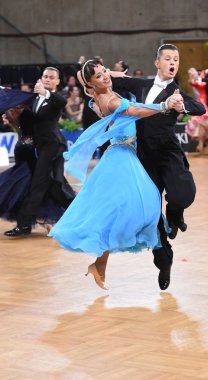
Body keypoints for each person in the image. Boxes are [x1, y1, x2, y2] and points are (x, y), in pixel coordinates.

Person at [49, 59, 179, 291]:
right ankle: (158, 235)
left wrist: (112, 74)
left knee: (112, 213)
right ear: (91, 84)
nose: (105, 77)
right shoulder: (111, 100)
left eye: (104, 72)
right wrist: (163, 106)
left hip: (118, 155)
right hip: (122, 158)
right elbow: (134, 110)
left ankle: (99, 267)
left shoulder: (96, 99)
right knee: (144, 202)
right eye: (98, 76)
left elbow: (103, 86)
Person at [110, 44, 205, 290]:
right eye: (168, 58)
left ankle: (174, 215)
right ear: (157, 63)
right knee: (150, 215)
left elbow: (200, 108)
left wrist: (180, 106)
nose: (173, 62)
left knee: (184, 193)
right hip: (144, 157)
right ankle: (164, 261)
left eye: (176, 59)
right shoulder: (141, 85)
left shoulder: (176, 93)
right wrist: (110, 73)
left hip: (168, 153)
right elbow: (112, 83)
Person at [4, 67, 76, 237]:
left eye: (51, 77)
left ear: (58, 81)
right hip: (40, 147)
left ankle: (24, 225)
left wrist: (45, 92)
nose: (48, 79)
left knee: (38, 184)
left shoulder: (55, 98)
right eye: (45, 77)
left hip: (53, 147)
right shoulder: (34, 98)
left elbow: (62, 101)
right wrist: (10, 118)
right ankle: (79, 211)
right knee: (54, 185)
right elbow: (28, 121)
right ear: (40, 78)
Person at [186, 67, 208, 153]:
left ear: (196, 71)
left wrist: (207, 71)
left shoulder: (203, 74)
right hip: (202, 100)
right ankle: (201, 144)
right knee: (202, 122)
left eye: (192, 71)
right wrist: (194, 78)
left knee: (203, 123)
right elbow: (194, 83)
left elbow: (207, 73)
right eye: (190, 73)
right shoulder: (193, 81)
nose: (192, 73)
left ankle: (201, 144)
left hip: (205, 100)